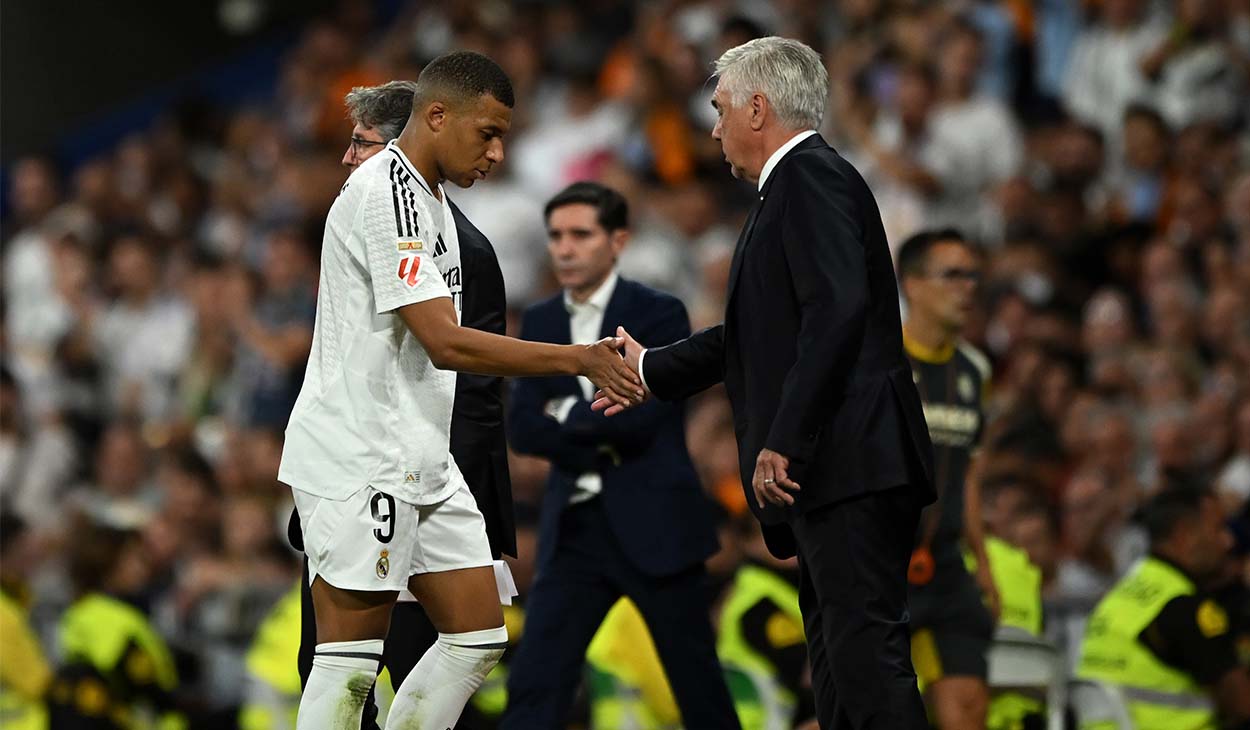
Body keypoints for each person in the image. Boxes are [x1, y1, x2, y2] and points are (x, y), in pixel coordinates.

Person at [278, 51, 643, 730]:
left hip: (419, 453)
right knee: (348, 664)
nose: (499, 153)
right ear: (437, 116)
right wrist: (577, 359)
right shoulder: (387, 194)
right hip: (359, 457)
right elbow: (446, 342)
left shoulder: (434, 200)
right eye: (488, 133)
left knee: (477, 636)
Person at [597, 36, 935, 729]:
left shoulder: (811, 178)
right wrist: (649, 368)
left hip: (849, 461)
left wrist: (786, 440)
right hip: (838, 467)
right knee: (839, 667)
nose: (714, 128)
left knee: (863, 658)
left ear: (759, 108)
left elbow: (838, 311)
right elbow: (759, 333)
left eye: (720, 110)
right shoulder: (795, 187)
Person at [285, 79, 517, 730]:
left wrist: (469, 520)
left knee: (411, 656)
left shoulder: (463, 247)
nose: (347, 159)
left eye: (360, 144)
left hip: (421, 486)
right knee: (337, 664)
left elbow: (473, 396)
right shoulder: (370, 216)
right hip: (365, 476)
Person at [500, 182, 737, 728]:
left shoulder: (659, 314)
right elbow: (523, 430)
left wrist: (563, 418)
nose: (565, 248)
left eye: (581, 234)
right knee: (535, 688)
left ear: (618, 241)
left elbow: (645, 418)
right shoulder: (540, 322)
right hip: (574, 532)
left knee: (698, 690)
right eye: (556, 236)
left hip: (655, 526)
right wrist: (596, 417)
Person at [895, 228, 997, 729]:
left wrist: (984, 564)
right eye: (952, 274)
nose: (968, 287)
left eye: (973, 275)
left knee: (968, 707)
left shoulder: (975, 370)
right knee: (862, 713)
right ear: (912, 284)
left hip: (946, 566)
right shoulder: (878, 360)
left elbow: (970, 476)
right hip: (880, 565)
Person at [1077, 486, 1250, 730]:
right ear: (1185, 535)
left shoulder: (1125, 593)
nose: (1228, 541)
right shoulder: (1184, 606)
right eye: (1218, 528)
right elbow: (1241, 703)